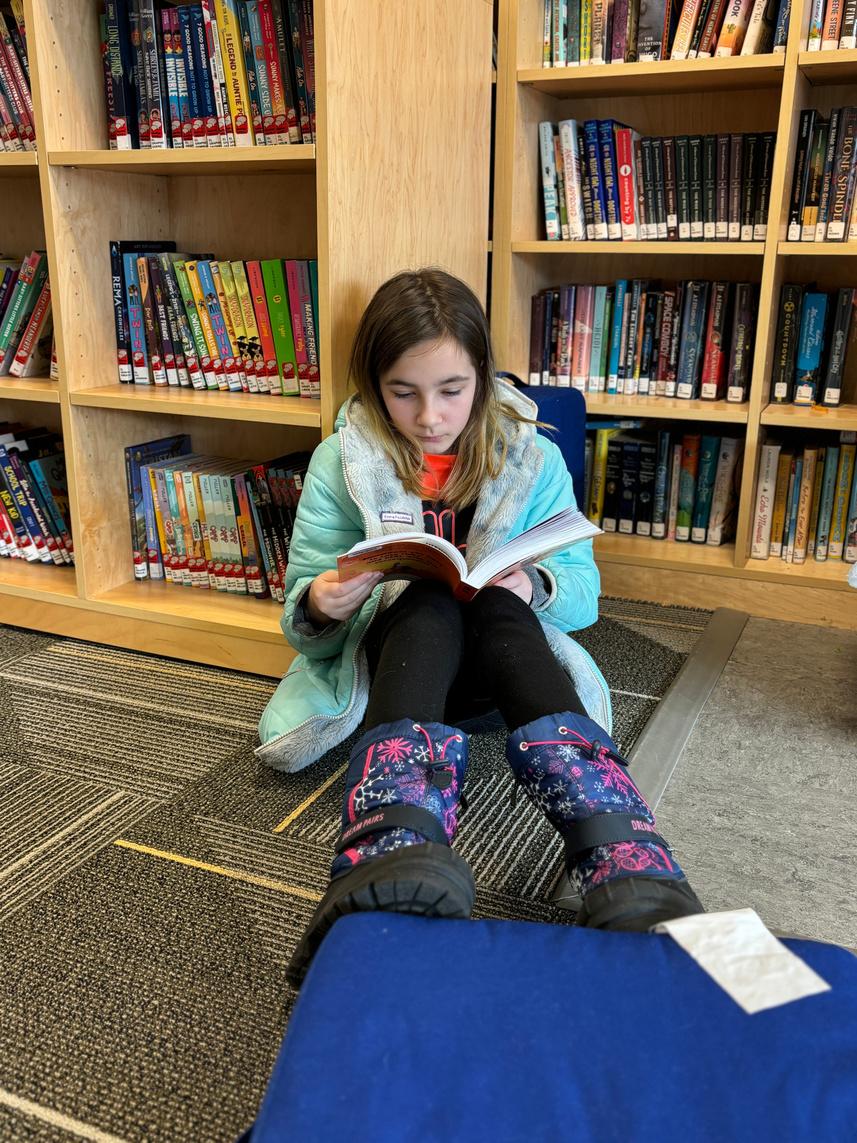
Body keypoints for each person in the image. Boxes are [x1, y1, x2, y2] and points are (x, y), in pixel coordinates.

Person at [256, 269, 703, 985]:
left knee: (496, 601)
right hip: (400, 669)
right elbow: (301, 613)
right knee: (428, 601)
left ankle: (616, 841)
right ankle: (394, 835)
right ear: (373, 384)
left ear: (483, 377)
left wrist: (536, 585)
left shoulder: (532, 454)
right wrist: (322, 603)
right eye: (403, 392)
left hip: (503, 674)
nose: (429, 416)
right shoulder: (341, 461)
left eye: (451, 390)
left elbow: (582, 590)